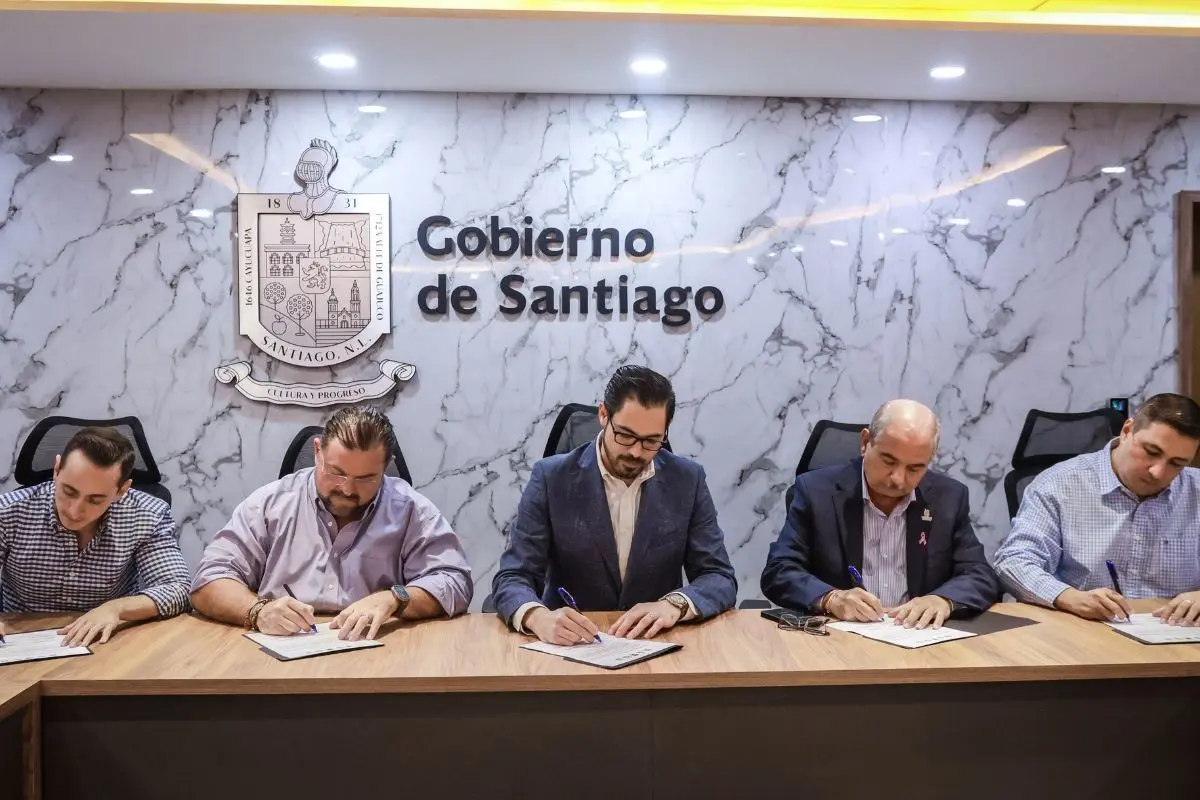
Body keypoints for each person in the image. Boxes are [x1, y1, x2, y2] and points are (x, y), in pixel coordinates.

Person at [492, 366, 737, 645]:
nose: (636, 451)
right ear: (603, 415)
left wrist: (674, 605)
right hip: (574, 644)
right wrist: (537, 617)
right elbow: (513, 577)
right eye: (625, 435)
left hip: (656, 644)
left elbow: (718, 577)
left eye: (651, 440)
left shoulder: (687, 480)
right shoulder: (551, 478)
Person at [190, 406, 472, 640]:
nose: (348, 489)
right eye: (336, 473)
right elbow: (209, 580)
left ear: (386, 467)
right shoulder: (270, 503)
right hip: (280, 651)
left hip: (378, 650)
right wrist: (258, 611)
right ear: (317, 451)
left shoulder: (410, 508)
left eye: (365, 478)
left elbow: (454, 582)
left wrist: (394, 599)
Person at [762, 400, 1000, 629]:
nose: (898, 478)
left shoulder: (948, 498)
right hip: (837, 640)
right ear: (866, 442)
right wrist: (831, 599)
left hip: (917, 640)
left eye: (915, 468)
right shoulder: (817, 492)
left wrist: (944, 600)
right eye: (889, 461)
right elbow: (780, 570)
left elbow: (980, 574)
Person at [994, 393, 1200, 626]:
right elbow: (1015, 561)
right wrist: (1069, 598)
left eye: (1177, 464)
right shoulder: (1059, 484)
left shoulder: (1196, 491)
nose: (1158, 472)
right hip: (1081, 632)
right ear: (1126, 431)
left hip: (1177, 638)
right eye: (1151, 452)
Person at [0, 427, 190, 646]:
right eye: (69, 491)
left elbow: (179, 588)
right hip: (21, 641)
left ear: (122, 490)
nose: (74, 510)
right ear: (57, 469)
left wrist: (117, 608)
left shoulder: (147, 515)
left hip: (106, 641)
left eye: (95, 500)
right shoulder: (8, 511)